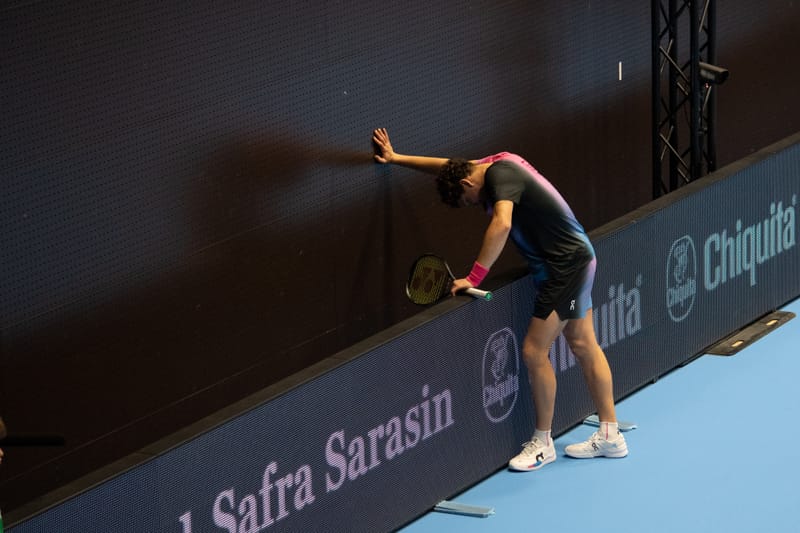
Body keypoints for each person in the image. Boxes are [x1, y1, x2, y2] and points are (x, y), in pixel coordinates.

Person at [372, 128, 627, 470]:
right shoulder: (484, 166)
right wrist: (397, 158)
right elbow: (447, 165)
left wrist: (473, 277)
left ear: (468, 186)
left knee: (534, 351)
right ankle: (610, 434)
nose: (477, 205)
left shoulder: (500, 178)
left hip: (564, 268)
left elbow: (502, 224)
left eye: (470, 201)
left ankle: (542, 443)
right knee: (582, 344)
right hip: (577, 258)